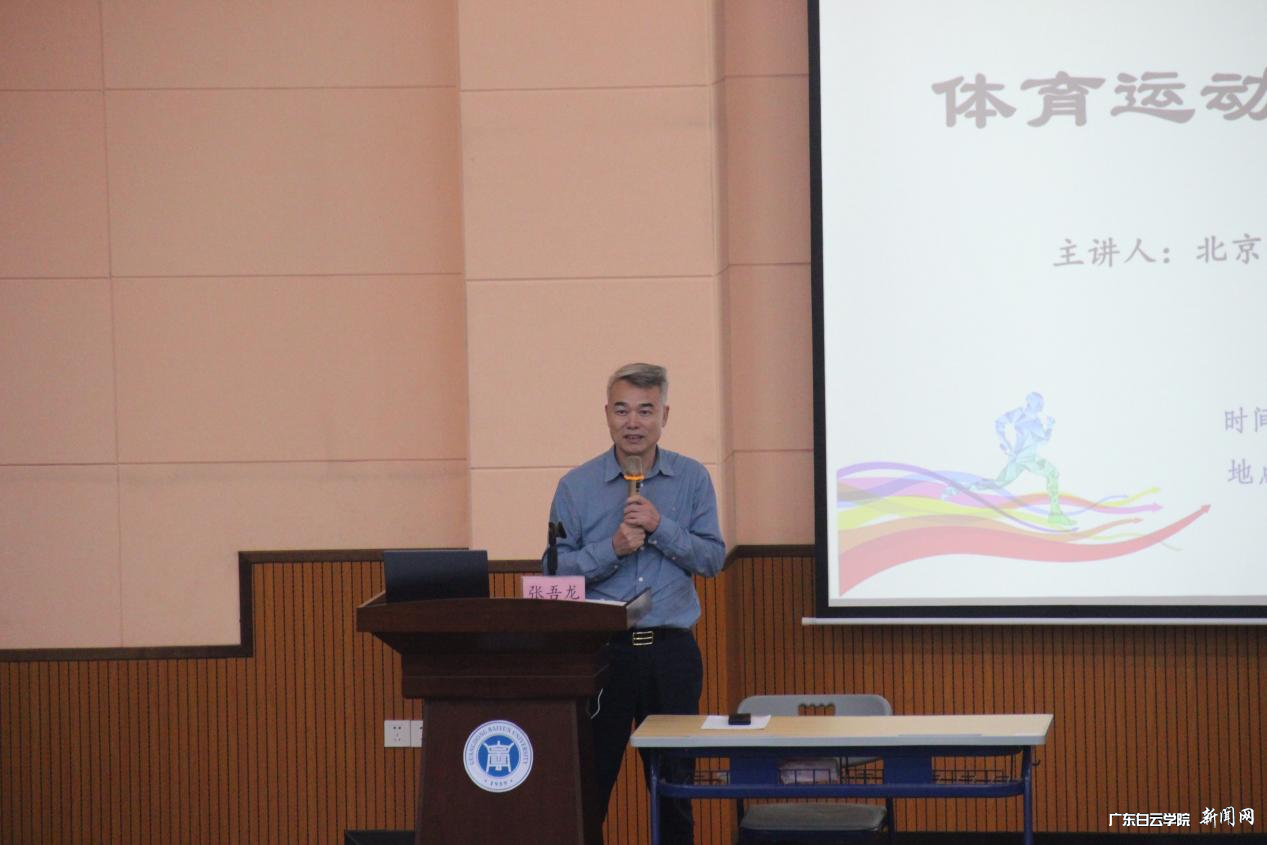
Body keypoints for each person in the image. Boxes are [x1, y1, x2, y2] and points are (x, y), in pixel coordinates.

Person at [544, 362, 725, 845]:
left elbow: (712, 559)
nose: (633, 423)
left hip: (671, 654)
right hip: (602, 654)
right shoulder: (576, 487)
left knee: (675, 790)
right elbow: (553, 573)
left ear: (664, 415)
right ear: (607, 414)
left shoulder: (691, 479)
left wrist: (661, 527)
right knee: (588, 787)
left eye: (645, 411)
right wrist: (612, 549)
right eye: (622, 410)